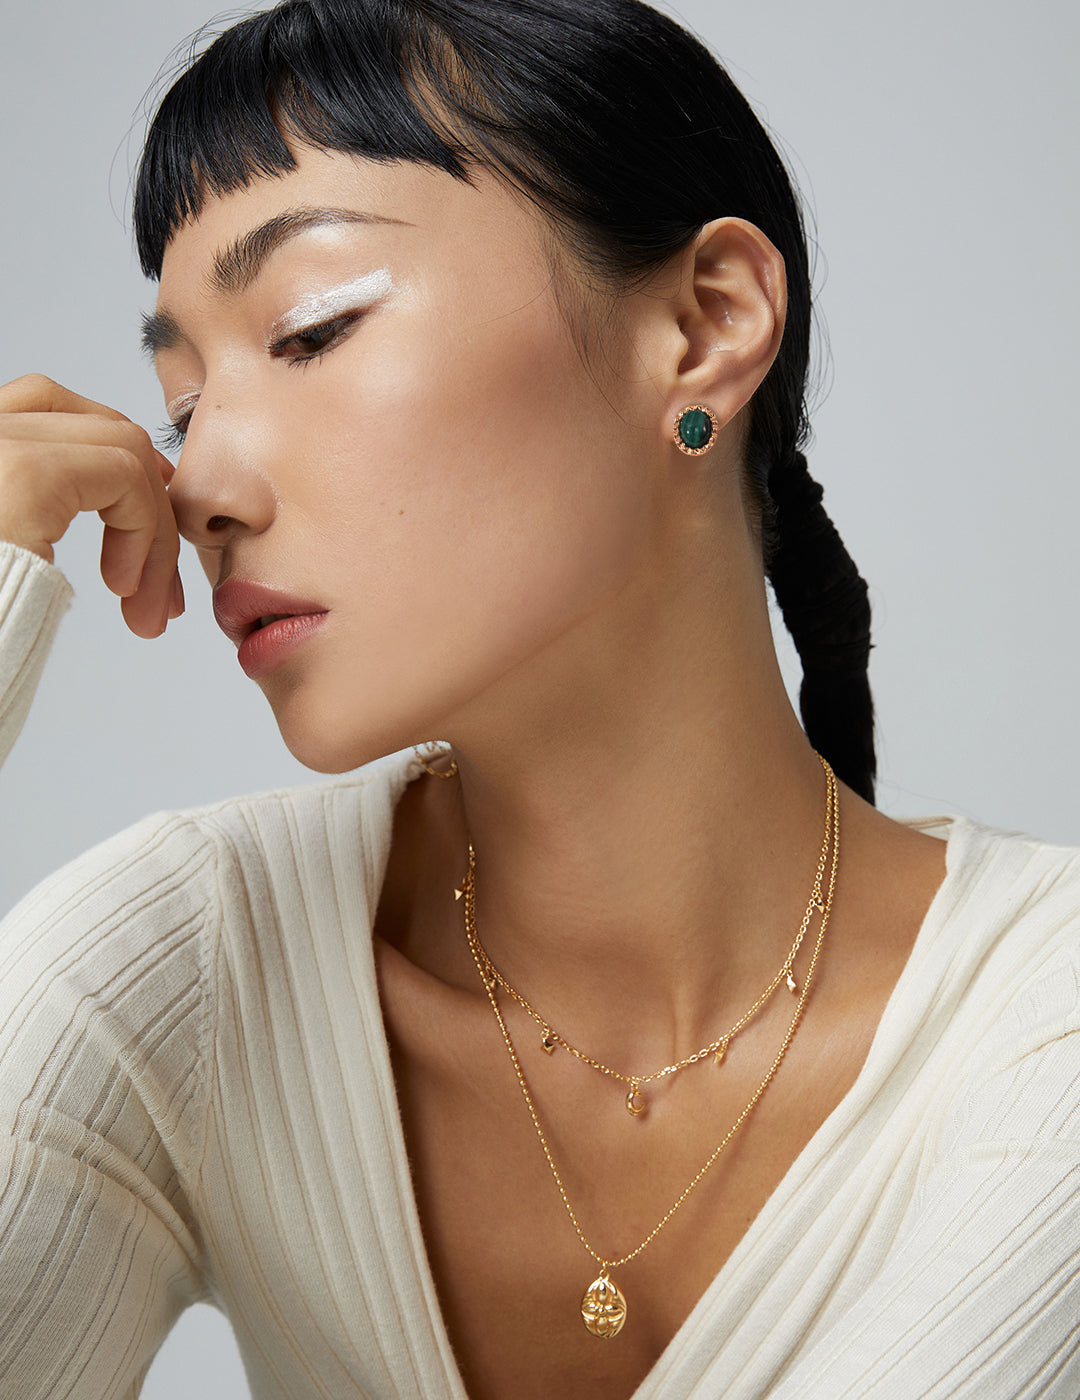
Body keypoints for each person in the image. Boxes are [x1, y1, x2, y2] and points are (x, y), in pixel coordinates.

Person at [0, 1, 1077, 1397]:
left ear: (703, 326)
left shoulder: (1045, 1029)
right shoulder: (186, 963)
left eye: (312, 331)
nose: (200, 485)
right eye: (182, 404)